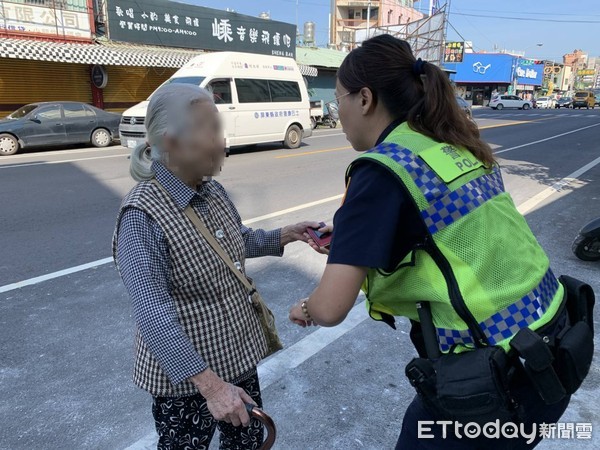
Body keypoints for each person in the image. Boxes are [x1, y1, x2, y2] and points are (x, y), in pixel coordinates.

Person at [289, 35, 573, 448]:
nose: (339, 112)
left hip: (496, 380)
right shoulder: (447, 143)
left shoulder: (381, 170)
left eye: (339, 99)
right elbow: (444, 227)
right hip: (552, 348)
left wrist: (303, 308)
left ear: (364, 99)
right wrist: (355, 240)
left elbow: (331, 308)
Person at [113, 83, 319, 450]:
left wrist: (287, 233)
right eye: (211, 129)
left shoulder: (211, 190)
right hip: (187, 378)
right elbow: (153, 315)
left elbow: (234, 240)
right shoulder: (142, 215)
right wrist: (210, 386)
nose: (222, 141)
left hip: (234, 353)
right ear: (171, 141)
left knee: (248, 440)